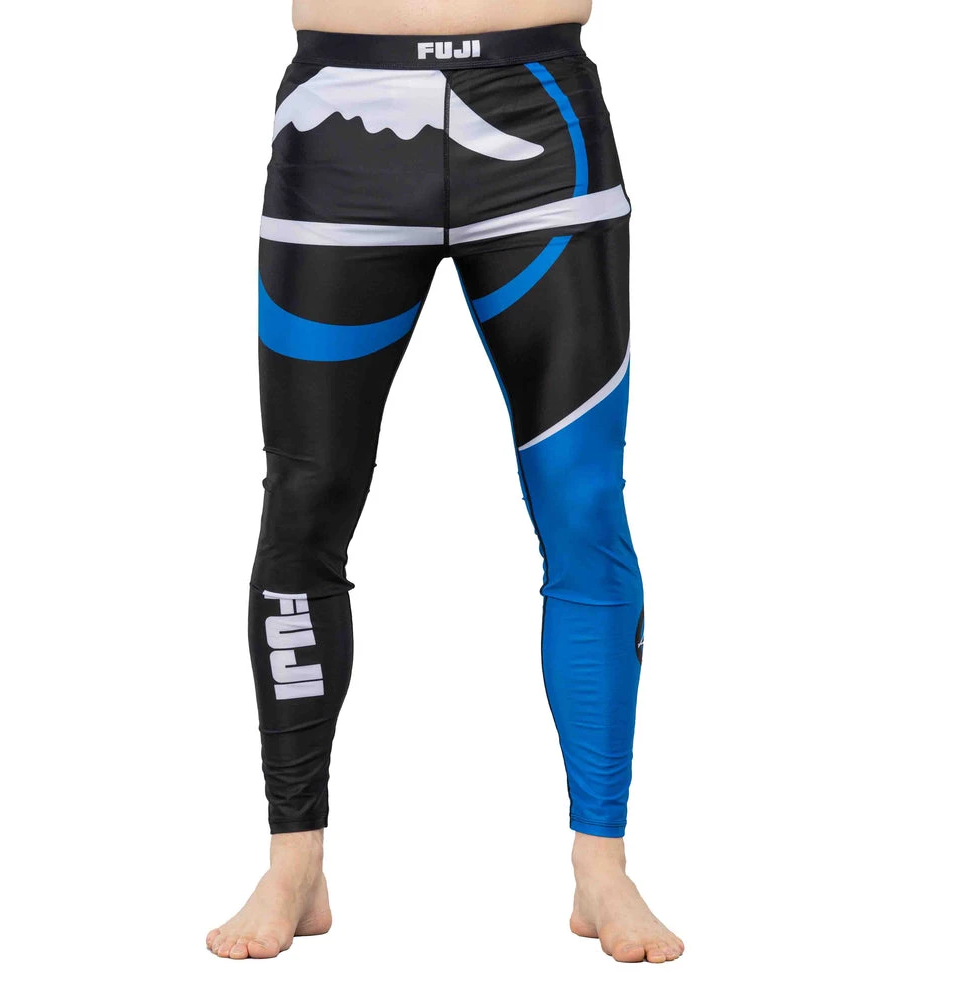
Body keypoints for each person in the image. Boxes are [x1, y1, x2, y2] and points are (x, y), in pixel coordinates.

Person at [207, 0, 684, 963]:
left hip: (540, 122)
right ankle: (294, 860)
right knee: (305, 502)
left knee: (583, 502)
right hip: (339, 126)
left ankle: (602, 863)